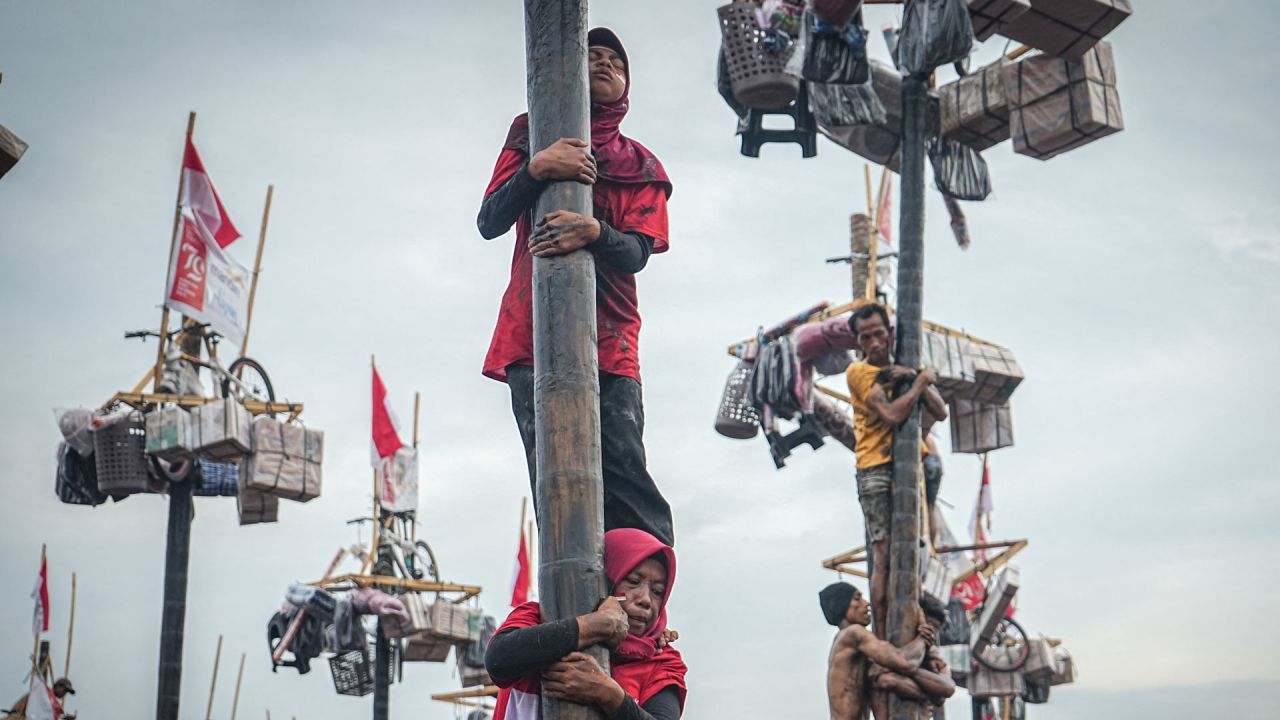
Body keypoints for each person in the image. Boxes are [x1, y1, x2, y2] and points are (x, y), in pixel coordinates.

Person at [476, 26, 675, 547]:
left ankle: (646, 598)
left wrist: (594, 232)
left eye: (616, 61)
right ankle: (572, 606)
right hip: (531, 330)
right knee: (553, 476)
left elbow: (637, 252)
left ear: (627, 84)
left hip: (609, 334)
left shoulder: (641, 164)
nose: (604, 64)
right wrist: (537, 168)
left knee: (625, 468)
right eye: (592, 55)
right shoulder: (528, 135)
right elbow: (491, 219)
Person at [485, 528, 687, 720]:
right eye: (633, 581)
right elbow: (498, 660)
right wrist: (595, 626)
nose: (645, 599)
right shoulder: (538, 617)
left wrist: (608, 693)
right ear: (606, 581)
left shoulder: (661, 661)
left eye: (658, 592)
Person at [845, 304, 947, 636]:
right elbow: (890, 415)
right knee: (883, 553)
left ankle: (912, 620)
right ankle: (884, 631)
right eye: (865, 337)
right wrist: (918, 384)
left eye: (878, 334)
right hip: (874, 467)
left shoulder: (901, 370)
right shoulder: (859, 373)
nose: (874, 342)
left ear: (889, 334)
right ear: (858, 343)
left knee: (913, 546)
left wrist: (919, 380)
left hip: (907, 469)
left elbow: (940, 411)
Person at [819, 582, 954, 720]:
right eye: (857, 598)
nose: (866, 604)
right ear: (842, 605)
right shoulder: (853, 633)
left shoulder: (851, 647)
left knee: (883, 679)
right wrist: (922, 640)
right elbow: (905, 662)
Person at [4, 677, 75, 719]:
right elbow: (46, 710)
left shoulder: (49, 700)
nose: (64, 694)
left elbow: (48, 713)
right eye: (64, 690)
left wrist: (64, 717)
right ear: (58, 686)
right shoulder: (43, 695)